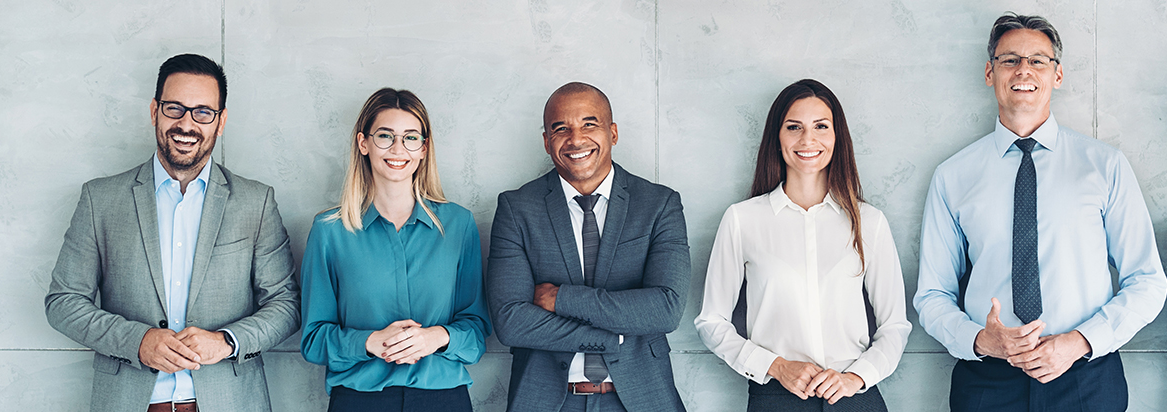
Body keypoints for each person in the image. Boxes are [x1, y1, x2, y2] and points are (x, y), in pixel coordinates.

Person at [911, 13, 1167, 412]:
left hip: (1086, 376)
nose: (1023, 70)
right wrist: (981, 340)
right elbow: (932, 294)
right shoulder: (953, 176)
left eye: (1037, 60)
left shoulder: (1105, 166)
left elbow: (1147, 281)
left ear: (1057, 75)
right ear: (989, 71)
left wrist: (1079, 342)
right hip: (987, 379)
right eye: (1009, 59)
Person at [45, 53, 299, 412]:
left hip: (230, 401)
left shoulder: (255, 202)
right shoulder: (99, 199)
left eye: (203, 112)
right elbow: (63, 302)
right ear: (154, 111)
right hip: (130, 402)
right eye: (174, 108)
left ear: (220, 121)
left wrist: (227, 342)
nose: (186, 124)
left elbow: (286, 306)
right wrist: (138, 341)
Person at [694, 79, 913, 411]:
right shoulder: (743, 220)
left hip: (855, 396)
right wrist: (777, 367)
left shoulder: (869, 222)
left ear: (837, 137)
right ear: (777, 138)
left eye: (821, 126)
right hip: (776, 397)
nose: (808, 139)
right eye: (794, 127)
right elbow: (711, 321)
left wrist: (856, 377)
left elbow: (895, 326)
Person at [485, 82, 690, 412]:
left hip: (641, 399)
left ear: (613, 132)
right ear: (547, 142)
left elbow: (665, 309)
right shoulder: (517, 208)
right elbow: (511, 321)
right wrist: (613, 336)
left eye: (588, 124)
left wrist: (561, 298)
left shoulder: (658, 204)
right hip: (547, 400)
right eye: (561, 128)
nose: (576, 139)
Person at [298, 88, 490, 411]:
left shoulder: (458, 225)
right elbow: (313, 340)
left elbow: (476, 334)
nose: (398, 149)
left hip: (444, 399)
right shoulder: (329, 231)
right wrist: (369, 342)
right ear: (363, 143)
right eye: (385, 136)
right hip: (359, 401)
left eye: (411, 138)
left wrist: (435, 337)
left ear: (424, 148)